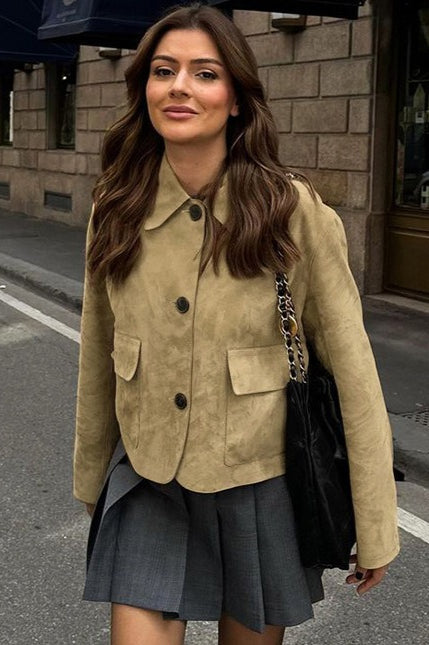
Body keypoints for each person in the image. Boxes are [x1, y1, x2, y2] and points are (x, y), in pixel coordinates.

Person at [74, 3, 400, 644]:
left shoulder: (291, 210)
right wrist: (92, 476)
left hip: (259, 479)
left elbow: (352, 369)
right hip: (147, 475)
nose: (180, 87)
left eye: (205, 73)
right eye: (163, 71)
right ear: (144, 90)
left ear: (237, 99)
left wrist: (374, 521)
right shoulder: (116, 207)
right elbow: (98, 353)